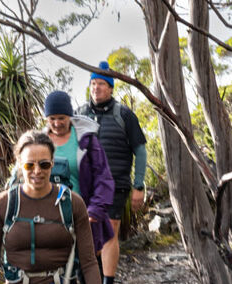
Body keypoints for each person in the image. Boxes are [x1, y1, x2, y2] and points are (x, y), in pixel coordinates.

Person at [0, 130, 101, 283]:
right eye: (29, 165)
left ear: (52, 163)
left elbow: (89, 262)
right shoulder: (2, 205)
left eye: (44, 164)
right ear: (19, 164)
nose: (37, 171)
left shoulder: (73, 203)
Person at [76, 61, 147, 284]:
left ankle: (107, 281)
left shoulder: (124, 115)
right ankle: (89, 275)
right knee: (85, 231)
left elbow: (141, 151)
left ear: (111, 88)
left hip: (116, 183)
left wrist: (138, 185)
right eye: (93, 83)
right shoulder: (78, 115)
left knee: (109, 231)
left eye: (101, 84)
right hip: (84, 185)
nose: (96, 88)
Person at [44, 90, 115, 275]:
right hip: (49, 219)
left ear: (70, 116)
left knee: (87, 267)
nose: (57, 123)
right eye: (52, 118)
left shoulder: (86, 140)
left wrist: (95, 209)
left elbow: (103, 177)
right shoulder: (39, 143)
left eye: (62, 118)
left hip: (83, 215)